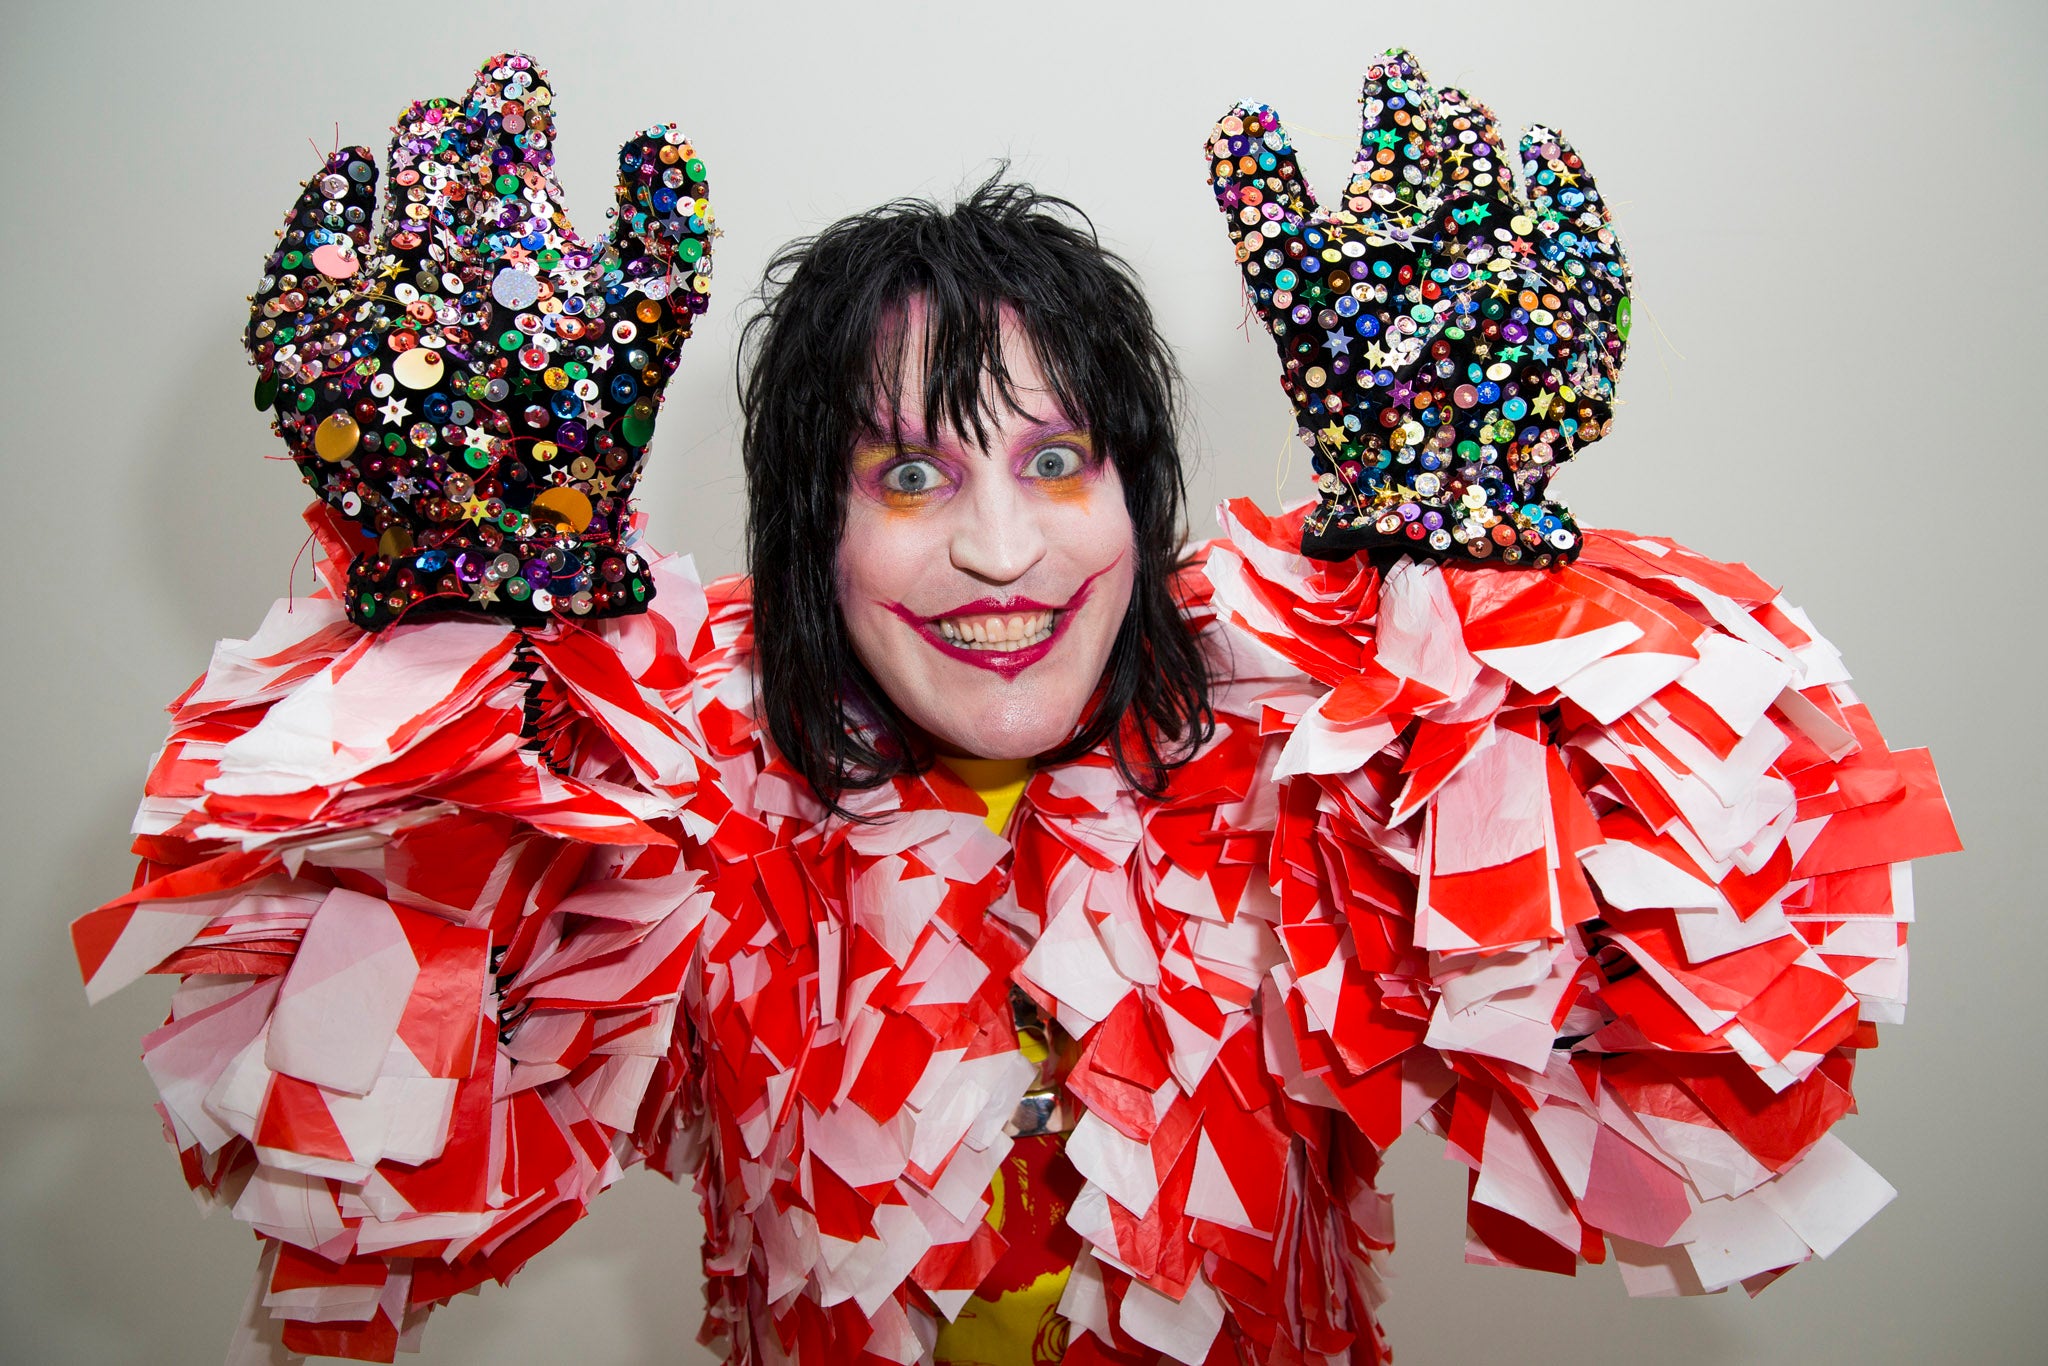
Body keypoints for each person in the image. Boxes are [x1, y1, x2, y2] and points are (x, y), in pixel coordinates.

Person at [76, 48, 1959, 1366]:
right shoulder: (681, 797)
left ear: (1144, 491)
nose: (995, 549)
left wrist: (1468, 551)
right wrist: (468, 587)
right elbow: (359, 1192)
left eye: (1057, 461)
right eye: (904, 477)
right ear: (810, 534)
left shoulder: (1317, 766)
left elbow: (1687, 1134)